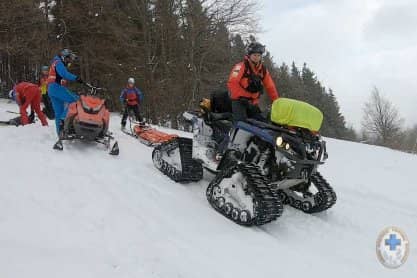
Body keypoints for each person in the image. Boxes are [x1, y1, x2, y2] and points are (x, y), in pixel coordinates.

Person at [227, 41, 279, 122]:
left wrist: (276, 102)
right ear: (249, 55)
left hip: (252, 103)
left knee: (262, 123)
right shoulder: (240, 66)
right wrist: (240, 97)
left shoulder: (263, 70)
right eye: (254, 55)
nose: (257, 57)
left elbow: (270, 86)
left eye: (259, 55)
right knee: (241, 125)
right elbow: (232, 82)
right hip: (239, 102)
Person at [47, 49, 82, 136]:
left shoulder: (55, 62)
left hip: (52, 89)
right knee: (76, 100)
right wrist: (76, 78)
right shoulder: (58, 62)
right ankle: (63, 119)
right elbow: (64, 74)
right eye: (68, 59)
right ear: (64, 57)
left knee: (58, 112)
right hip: (56, 87)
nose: (69, 62)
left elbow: (60, 76)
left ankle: (60, 133)